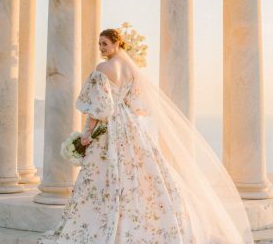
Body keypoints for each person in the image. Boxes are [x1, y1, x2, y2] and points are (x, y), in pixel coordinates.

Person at [38, 28, 254, 244]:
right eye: (99, 44)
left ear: (116, 44)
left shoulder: (102, 68)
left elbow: (99, 108)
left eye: (104, 43)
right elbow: (135, 104)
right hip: (130, 125)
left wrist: (87, 134)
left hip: (110, 125)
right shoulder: (132, 69)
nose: (101, 48)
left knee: (104, 174)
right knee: (137, 174)